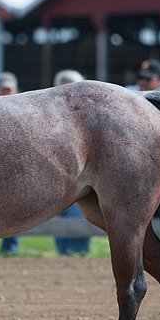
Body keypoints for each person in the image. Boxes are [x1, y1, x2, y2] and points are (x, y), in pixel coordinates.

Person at [52, 69, 91, 256]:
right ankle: (67, 253)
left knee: (77, 215)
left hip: (77, 176)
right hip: (61, 179)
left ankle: (77, 252)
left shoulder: (86, 117)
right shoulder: (50, 115)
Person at [0, 72, 21, 255]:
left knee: (16, 209)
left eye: (8, 90)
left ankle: (10, 248)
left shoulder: (21, 112)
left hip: (13, 169)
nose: (5, 93)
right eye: (3, 90)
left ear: (15, 91)